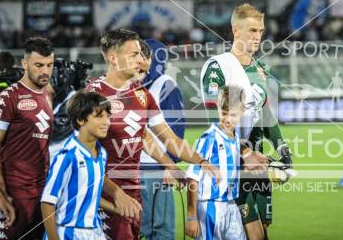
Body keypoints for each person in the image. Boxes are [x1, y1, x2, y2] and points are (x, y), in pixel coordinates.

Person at [87, 29, 220, 239]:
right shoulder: (94, 96)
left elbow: (161, 138)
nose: (141, 60)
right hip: (103, 197)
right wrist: (116, 194)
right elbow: (85, 160)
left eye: (141, 53)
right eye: (134, 54)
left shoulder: (141, 94)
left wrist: (197, 162)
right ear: (113, 58)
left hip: (134, 195)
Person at [200, 3, 289, 240]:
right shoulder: (217, 67)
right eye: (251, 30)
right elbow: (216, 121)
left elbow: (266, 114)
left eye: (260, 31)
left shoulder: (261, 68)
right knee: (252, 232)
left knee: (264, 230)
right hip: (232, 163)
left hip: (258, 163)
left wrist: (282, 149)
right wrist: (245, 153)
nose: (257, 36)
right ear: (235, 31)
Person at [0, 37, 55, 239]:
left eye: (49, 65)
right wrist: (2, 196)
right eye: (39, 65)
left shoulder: (47, 95)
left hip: (41, 194)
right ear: (25, 64)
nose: (45, 71)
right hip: (14, 195)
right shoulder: (8, 98)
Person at [41, 91, 121, 239]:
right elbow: (47, 202)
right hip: (68, 232)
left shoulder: (102, 154)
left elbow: (89, 195)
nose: (106, 122)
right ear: (81, 120)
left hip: (94, 232)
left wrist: (117, 209)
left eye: (108, 116)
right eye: (99, 116)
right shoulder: (68, 155)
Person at [139, 39, 186, 240]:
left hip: (158, 168)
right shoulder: (135, 85)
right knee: (143, 227)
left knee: (162, 228)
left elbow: (176, 127)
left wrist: (171, 164)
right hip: (138, 166)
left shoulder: (165, 84)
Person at [185, 85, 247, 240]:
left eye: (233, 115)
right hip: (210, 207)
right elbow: (192, 177)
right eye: (224, 113)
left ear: (242, 112)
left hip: (230, 205)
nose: (227, 119)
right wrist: (191, 217)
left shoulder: (236, 137)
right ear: (218, 109)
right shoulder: (209, 138)